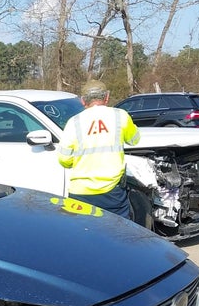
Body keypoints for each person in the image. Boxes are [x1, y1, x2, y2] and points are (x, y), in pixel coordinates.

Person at [57, 80, 140, 218]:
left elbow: (63, 159)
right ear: (106, 97)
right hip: (112, 192)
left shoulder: (73, 122)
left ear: (83, 101)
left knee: (83, 234)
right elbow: (134, 140)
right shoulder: (120, 115)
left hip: (80, 193)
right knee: (117, 233)